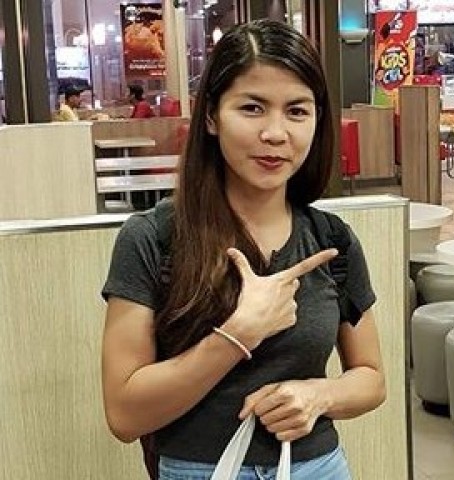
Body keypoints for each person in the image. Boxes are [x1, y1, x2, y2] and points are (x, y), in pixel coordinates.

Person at [101, 19, 385, 479]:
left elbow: (371, 377)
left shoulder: (332, 240)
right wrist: (239, 334)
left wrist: (320, 396)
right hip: (198, 471)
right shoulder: (152, 238)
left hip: (317, 468)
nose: (275, 133)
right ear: (212, 116)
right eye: (252, 108)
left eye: (297, 111)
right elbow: (124, 414)